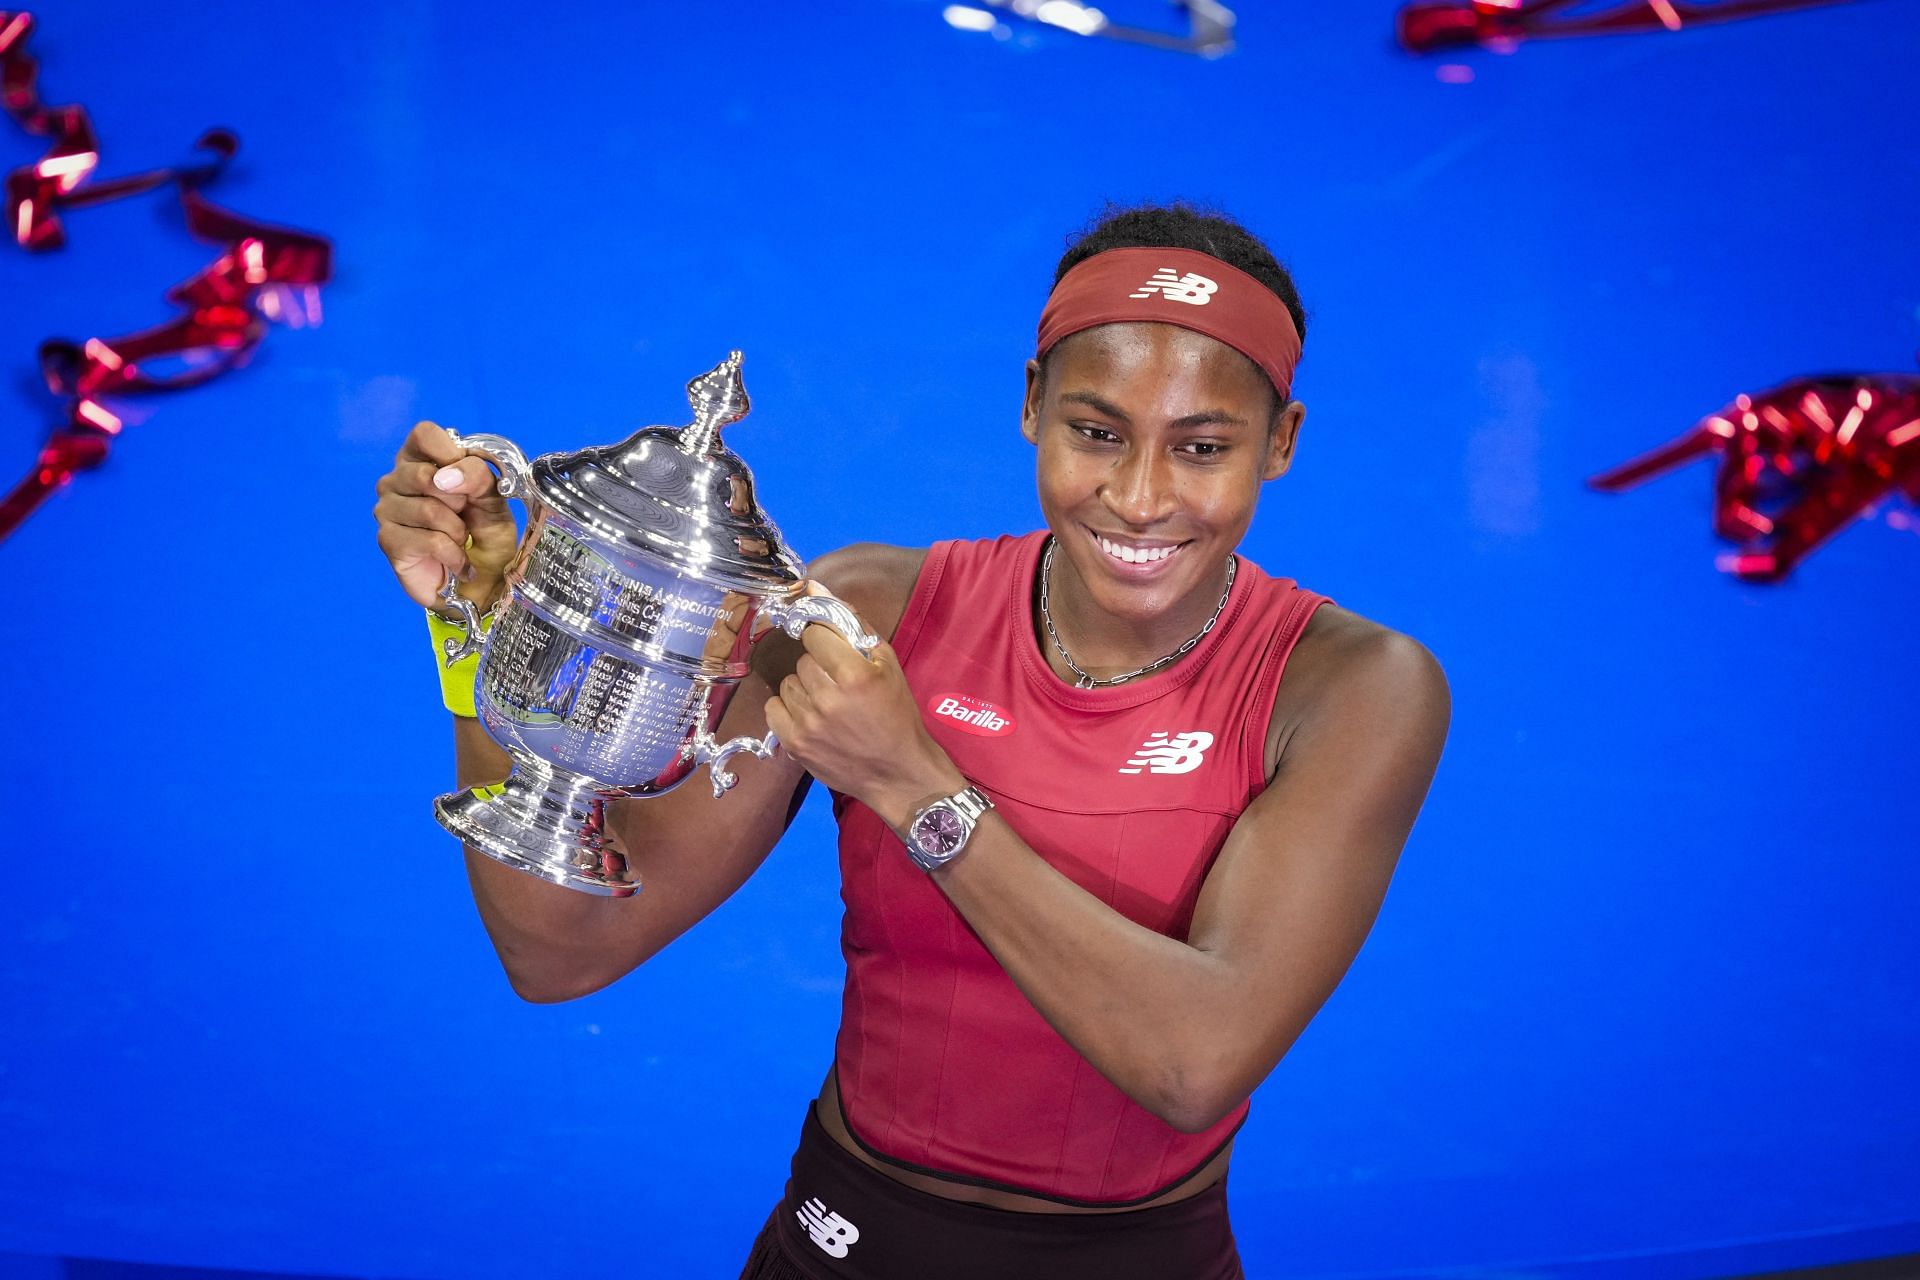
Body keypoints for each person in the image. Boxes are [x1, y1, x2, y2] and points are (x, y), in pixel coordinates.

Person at [372, 203, 1451, 1279]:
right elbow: (560, 948)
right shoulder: (866, 613)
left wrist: (915, 782)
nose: (1139, 496)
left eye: (1203, 447)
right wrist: (476, 628)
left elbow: (1193, 1060)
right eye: (1096, 431)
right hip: (840, 1240)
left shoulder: (1356, 687)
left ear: (1282, 442)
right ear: (1032, 406)